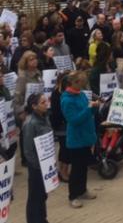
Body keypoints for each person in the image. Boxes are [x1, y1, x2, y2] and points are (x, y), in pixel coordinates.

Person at [61, 70, 99, 209]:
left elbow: (88, 112)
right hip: (76, 139)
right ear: (74, 83)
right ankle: (73, 195)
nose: (84, 86)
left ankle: (82, 190)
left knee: (83, 167)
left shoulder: (81, 94)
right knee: (76, 169)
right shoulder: (66, 100)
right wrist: (89, 110)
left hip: (86, 137)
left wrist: (94, 107)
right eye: (82, 83)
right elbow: (74, 120)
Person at [22, 93, 52, 223]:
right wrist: (38, 167)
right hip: (36, 167)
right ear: (34, 106)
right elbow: (28, 151)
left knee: (42, 195)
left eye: (46, 101)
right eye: (42, 102)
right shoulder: (30, 124)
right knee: (35, 196)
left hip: (45, 164)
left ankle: (42, 218)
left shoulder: (45, 117)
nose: (46, 104)